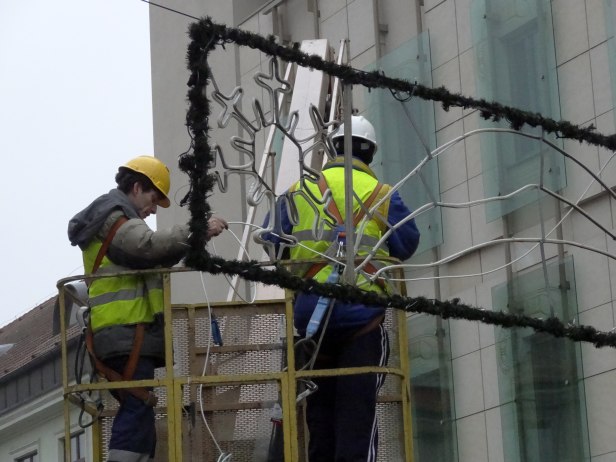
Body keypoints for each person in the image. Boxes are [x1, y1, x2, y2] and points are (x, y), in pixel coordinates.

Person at [262, 116, 420, 461]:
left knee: (320, 420)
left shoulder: (298, 192)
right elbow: (407, 244)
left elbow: (271, 241)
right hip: (360, 323)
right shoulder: (381, 195)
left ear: (332, 149)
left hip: (311, 324)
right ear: (371, 154)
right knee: (357, 421)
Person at [68, 155, 227, 462]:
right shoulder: (113, 218)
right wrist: (198, 230)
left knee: (140, 412)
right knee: (137, 407)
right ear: (138, 187)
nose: (154, 209)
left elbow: (148, 256)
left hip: (124, 333)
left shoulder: (115, 219)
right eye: (153, 199)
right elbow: (147, 248)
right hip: (126, 332)